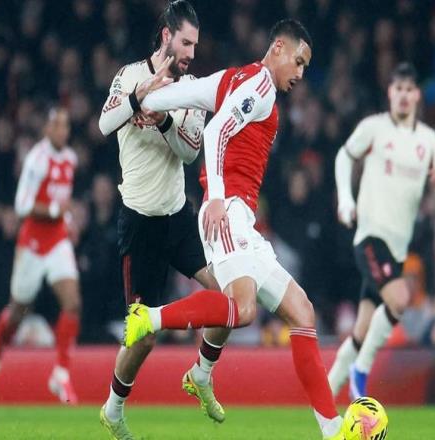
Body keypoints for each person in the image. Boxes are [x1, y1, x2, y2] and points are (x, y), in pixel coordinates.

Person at [125, 18, 345, 440]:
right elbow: (216, 130)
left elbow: (180, 95)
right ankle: (149, 318)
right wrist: (216, 196)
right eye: (298, 61)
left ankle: (332, 429)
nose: (300, 73)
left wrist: (147, 99)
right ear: (278, 48)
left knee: (302, 312)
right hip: (226, 211)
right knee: (242, 309)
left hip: (242, 219)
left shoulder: (232, 78)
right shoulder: (259, 86)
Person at [98, 2, 225, 439]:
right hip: (140, 224)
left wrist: (165, 118)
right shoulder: (130, 75)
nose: (191, 52)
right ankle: (113, 409)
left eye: (195, 45)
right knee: (144, 338)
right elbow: (104, 124)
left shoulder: (192, 89)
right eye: (186, 42)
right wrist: (138, 98)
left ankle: (201, 374)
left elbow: (190, 152)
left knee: (226, 298)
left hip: (178, 218)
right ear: (167, 35)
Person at [328, 63, 435, 399]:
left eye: (408, 89)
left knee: (362, 330)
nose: (403, 95)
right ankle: (361, 372)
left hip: (398, 249)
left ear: (417, 95)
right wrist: (346, 200)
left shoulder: (428, 140)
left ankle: (325, 395)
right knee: (399, 298)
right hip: (371, 236)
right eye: (397, 88)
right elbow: (344, 156)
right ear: (390, 92)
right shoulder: (374, 128)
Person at [0, 108, 81, 404]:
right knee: (18, 309)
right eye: (57, 126)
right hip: (32, 244)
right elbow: (21, 204)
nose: (62, 131)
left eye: (65, 126)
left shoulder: (70, 159)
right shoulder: (36, 159)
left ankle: (61, 375)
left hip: (58, 241)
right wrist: (55, 211)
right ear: (47, 129)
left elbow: (63, 202)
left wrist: (67, 221)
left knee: (72, 302)